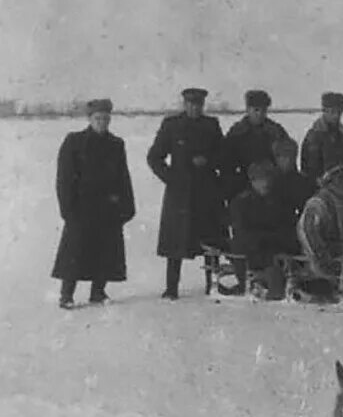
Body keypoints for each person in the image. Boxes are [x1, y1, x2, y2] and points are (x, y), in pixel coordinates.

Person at [51, 98, 136, 309]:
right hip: (81, 208)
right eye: (98, 119)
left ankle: (98, 292)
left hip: (108, 207)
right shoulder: (74, 141)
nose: (102, 123)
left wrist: (127, 206)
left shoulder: (116, 144)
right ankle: (66, 295)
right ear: (89, 119)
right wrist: (67, 208)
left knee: (106, 251)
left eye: (106, 119)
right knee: (74, 252)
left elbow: (123, 177)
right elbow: (64, 178)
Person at [148, 87, 230, 300]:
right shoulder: (172, 125)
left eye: (199, 104)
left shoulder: (211, 125)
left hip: (207, 192)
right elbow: (154, 157)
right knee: (176, 241)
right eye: (191, 104)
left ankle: (211, 285)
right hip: (180, 194)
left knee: (210, 241)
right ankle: (171, 287)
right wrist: (171, 178)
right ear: (184, 104)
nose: (195, 108)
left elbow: (223, 155)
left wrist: (209, 161)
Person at [229, 160, 302, 299]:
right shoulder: (241, 203)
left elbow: (289, 225)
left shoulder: (281, 201)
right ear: (252, 181)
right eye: (260, 180)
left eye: (267, 179)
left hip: (279, 248)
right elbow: (242, 233)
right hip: (253, 250)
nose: (265, 184)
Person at [297, 165, 343, 294]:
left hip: (340, 257)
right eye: (340, 180)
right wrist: (323, 262)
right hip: (320, 263)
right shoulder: (319, 203)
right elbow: (308, 232)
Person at [223, 89, 291, 199]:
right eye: (256, 110)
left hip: (272, 187)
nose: (260, 114)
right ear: (248, 110)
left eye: (263, 110)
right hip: (243, 187)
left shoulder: (275, 131)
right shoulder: (236, 133)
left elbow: (286, 161)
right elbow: (226, 167)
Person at [300, 91, 343, 196]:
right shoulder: (314, 136)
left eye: (339, 112)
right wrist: (317, 182)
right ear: (324, 111)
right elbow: (307, 170)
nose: (336, 116)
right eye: (332, 112)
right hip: (321, 192)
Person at [271, 136, 317, 225]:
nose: (287, 160)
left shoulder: (304, 183)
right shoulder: (269, 183)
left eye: (290, 156)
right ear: (276, 158)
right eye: (282, 156)